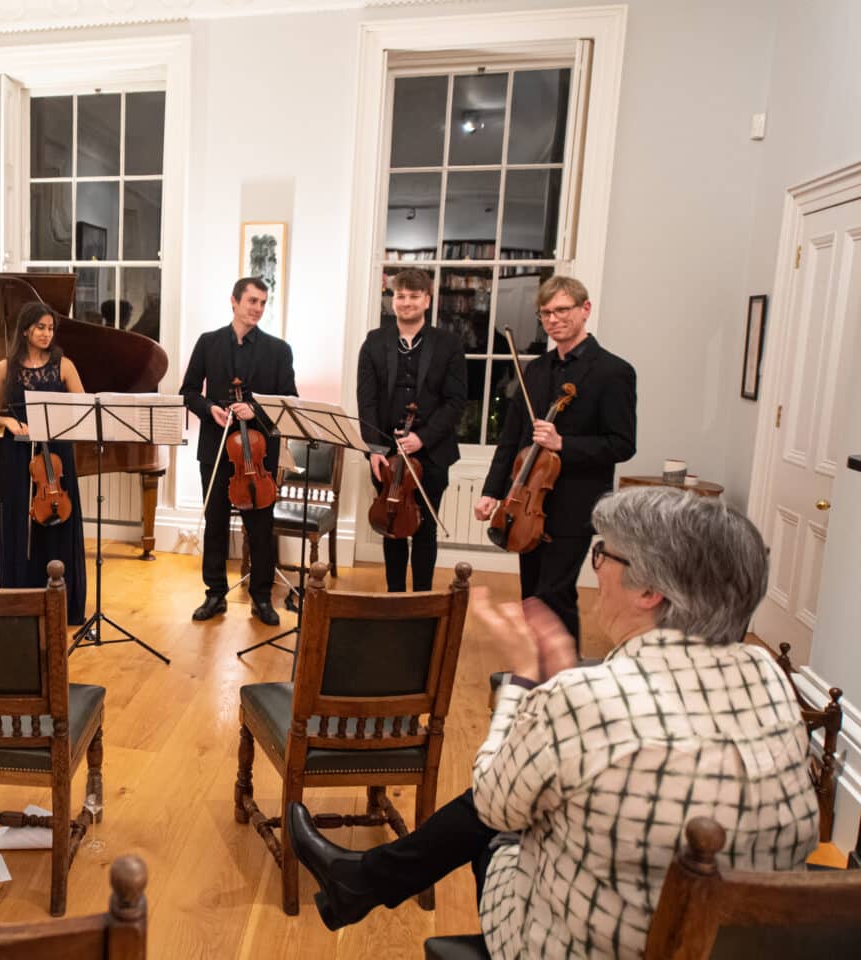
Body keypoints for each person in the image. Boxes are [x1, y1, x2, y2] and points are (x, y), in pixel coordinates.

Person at [288, 486, 818, 959]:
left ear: (648, 591)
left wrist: (524, 686)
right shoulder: (767, 676)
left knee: (503, 824)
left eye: (602, 555)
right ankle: (359, 881)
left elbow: (494, 800)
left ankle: (359, 882)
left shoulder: (584, 698)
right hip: (735, 943)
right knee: (551, 792)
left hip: (586, 944)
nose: (596, 571)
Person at [474, 275, 637, 643]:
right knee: (531, 595)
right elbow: (512, 440)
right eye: (546, 312)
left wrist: (564, 443)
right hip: (527, 505)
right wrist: (492, 492)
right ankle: (539, 669)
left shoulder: (614, 372)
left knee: (555, 593)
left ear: (585, 310)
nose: (553, 319)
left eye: (562, 310)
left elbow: (622, 444)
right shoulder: (536, 369)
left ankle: (563, 679)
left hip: (574, 506)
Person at [181, 277, 297, 626]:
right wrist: (210, 410)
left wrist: (256, 412)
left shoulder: (279, 350)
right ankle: (215, 594)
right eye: (252, 301)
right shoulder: (208, 343)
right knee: (215, 524)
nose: (258, 309)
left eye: (263, 302)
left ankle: (261, 597)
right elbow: (188, 391)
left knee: (260, 528)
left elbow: (288, 401)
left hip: (259, 455)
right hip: (217, 449)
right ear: (234, 301)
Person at [356, 268, 467, 592]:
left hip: (432, 453)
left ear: (427, 300)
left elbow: (456, 401)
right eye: (400, 296)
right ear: (392, 300)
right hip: (387, 455)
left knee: (424, 528)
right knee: (391, 526)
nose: (406, 302)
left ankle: (421, 598)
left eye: (414, 296)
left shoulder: (448, 344)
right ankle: (394, 597)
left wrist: (424, 437)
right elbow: (367, 400)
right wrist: (375, 449)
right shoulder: (375, 342)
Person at [0, 302, 87, 624]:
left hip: (56, 454)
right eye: (40, 327)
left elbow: (83, 409)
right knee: (20, 521)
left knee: (59, 520)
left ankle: (61, 602)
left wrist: (58, 419)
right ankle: (20, 603)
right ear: (26, 330)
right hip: (17, 453)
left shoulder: (64, 366)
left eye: (51, 328)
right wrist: (9, 423)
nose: (46, 334)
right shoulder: (4, 368)